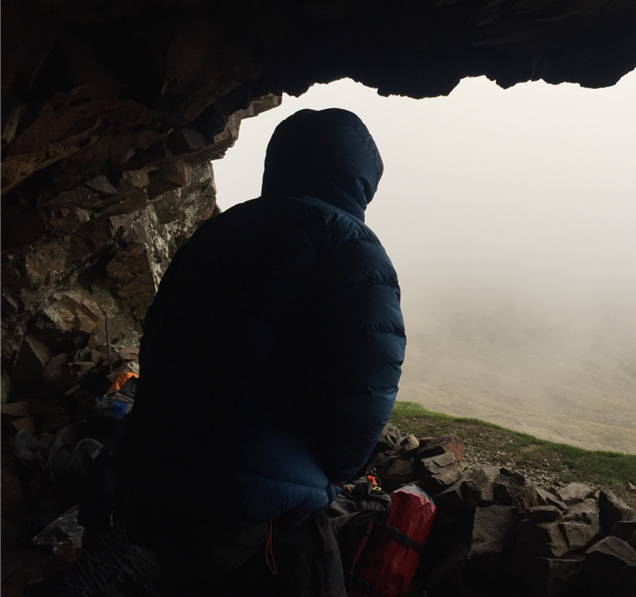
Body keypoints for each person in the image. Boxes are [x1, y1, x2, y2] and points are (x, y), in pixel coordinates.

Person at [50, 108, 405, 596]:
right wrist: (331, 473)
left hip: (164, 472)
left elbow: (161, 339)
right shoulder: (351, 245)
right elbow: (367, 384)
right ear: (360, 179)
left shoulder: (221, 231)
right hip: (264, 506)